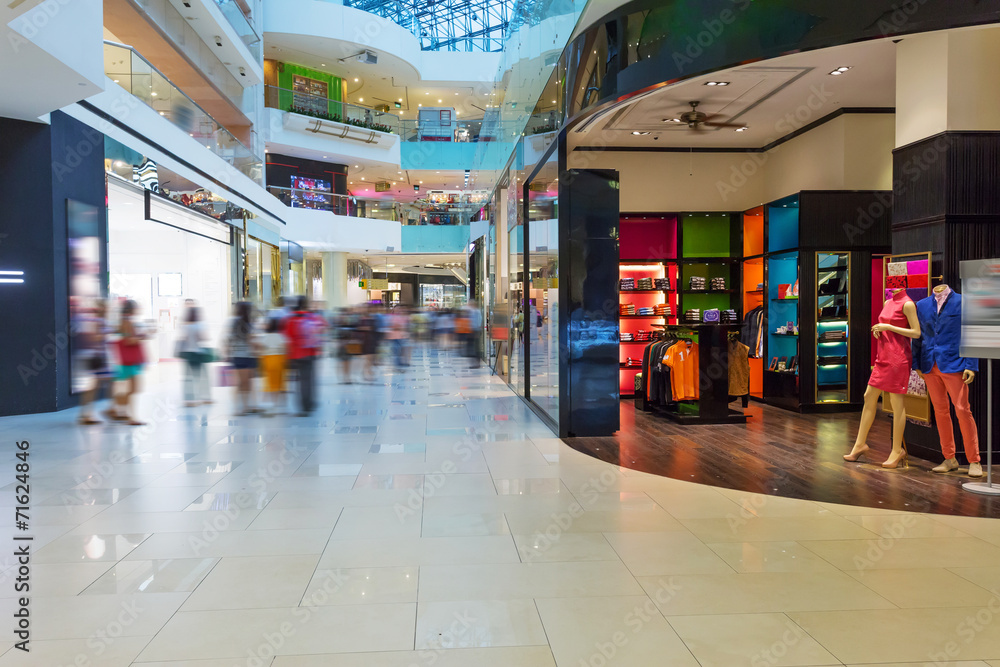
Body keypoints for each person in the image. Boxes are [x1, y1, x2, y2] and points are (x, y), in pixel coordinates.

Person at [844, 289, 922, 468]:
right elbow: (884, 324)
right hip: (883, 356)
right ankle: (859, 444)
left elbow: (916, 332)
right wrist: (878, 329)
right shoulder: (888, 303)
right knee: (868, 396)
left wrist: (888, 327)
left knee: (897, 402)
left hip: (898, 359)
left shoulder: (908, 304)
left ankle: (897, 450)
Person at [107, 299, 148, 425]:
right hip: (129, 361)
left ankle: (116, 409)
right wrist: (142, 337)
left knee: (131, 388)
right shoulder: (127, 322)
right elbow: (128, 341)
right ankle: (130, 415)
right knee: (134, 389)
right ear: (132, 309)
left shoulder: (124, 321)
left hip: (126, 361)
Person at [285, 296, 325, 415]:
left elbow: (288, 337)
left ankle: (303, 406)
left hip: (296, 354)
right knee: (310, 378)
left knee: (301, 381)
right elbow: (322, 328)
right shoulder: (312, 317)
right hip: (311, 352)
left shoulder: (291, 319)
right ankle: (310, 403)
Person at [77, 299, 112, 425]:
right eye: (105, 307)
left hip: (100, 357)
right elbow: (94, 337)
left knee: (95, 386)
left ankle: (86, 414)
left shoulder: (99, 321)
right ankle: (87, 414)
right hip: (98, 358)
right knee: (95, 386)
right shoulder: (98, 321)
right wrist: (105, 334)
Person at [224, 301, 261, 416]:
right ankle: (242, 407)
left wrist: (228, 353)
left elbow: (228, 339)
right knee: (245, 383)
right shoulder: (246, 323)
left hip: (238, 355)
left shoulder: (233, 322)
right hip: (247, 355)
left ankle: (242, 407)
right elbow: (251, 339)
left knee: (242, 383)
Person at [178, 300, 211, 407]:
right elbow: (203, 338)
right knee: (202, 376)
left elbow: (183, 338)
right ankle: (204, 397)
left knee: (188, 377)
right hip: (197, 353)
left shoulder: (185, 326)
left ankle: (189, 400)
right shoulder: (198, 326)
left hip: (188, 354)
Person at [259, 317, 288, 414]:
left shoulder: (265, 337)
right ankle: (282, 404)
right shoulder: (281, 336)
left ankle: (271, 403)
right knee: (280, 383)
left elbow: (261, 348)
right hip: (279, 359)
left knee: (269, 383)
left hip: (268, 360)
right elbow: (284, 347)